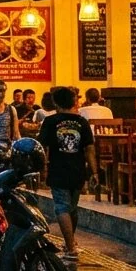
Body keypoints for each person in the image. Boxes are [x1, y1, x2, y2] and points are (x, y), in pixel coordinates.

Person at [39, 86, 98, 261]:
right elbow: (89, 149)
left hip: (58, 169)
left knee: (62, 208)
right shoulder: (82, 122)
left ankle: (70, 247)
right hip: (78, 169)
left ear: (56, 102)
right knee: (72, 207)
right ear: (73, 102)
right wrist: (94, 172)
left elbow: (43, 147)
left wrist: (42, 168)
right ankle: (70, 242)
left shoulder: (50, 122)